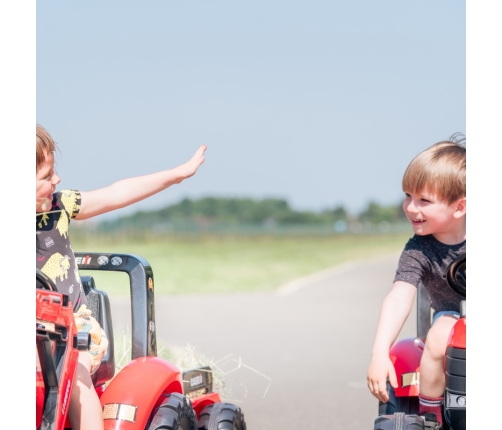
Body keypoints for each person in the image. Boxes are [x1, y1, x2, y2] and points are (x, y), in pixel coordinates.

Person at [36, 124, 206, 430]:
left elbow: (117, 192)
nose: (57, 179)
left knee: (71, 374)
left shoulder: (60, 207)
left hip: (74, 329)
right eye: (46, 177)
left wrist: (175, 175)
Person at [366, 136, 466, 427]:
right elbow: (399, 296)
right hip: (453, 318)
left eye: (424, 200)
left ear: (460, 207)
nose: (410, 208)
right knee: (438, 335)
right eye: (408, 196)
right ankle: (432, 416)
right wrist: (379, 352)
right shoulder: (418, 249)